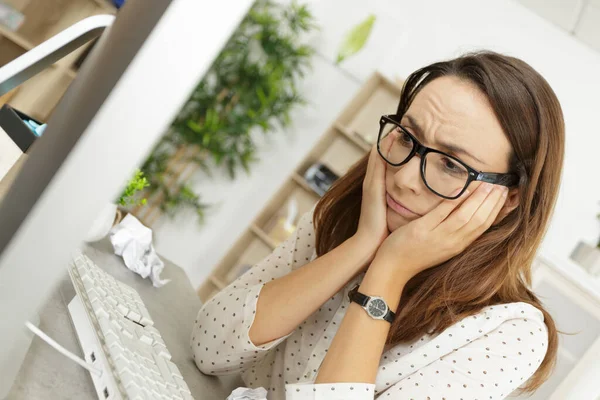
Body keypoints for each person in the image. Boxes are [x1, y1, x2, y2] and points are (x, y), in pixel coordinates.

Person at [191, 50, 563, 399]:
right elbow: (208, 348)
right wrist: (362, 244)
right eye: (406, 137)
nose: (403, 178)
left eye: (451, 165)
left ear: (511, 197)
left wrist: (389, 270)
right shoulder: (355, 214)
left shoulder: (508, 333)